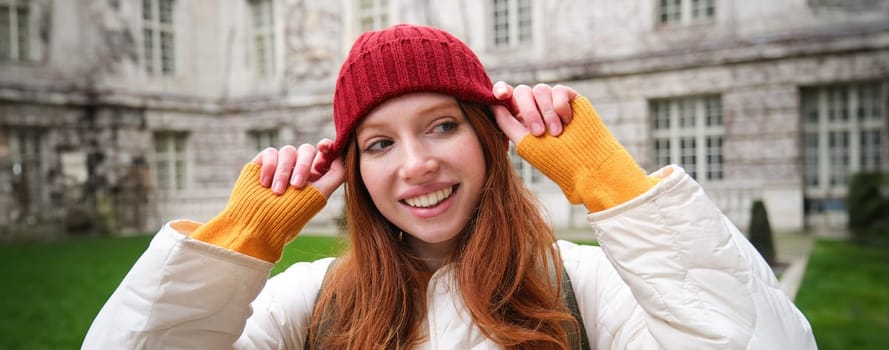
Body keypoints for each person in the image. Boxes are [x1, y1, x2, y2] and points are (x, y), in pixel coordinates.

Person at [82, 24, 816, 349]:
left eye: (441, 126)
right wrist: (238, 242)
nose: (414, 165)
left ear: (491, 138)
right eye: (378, 143)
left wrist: (611, 185)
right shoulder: (307, 304)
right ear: (354, 170)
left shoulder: (586, 287)